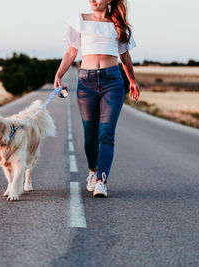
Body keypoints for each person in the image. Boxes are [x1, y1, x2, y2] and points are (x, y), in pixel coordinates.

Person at [54, 0, 140, 197]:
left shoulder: (119, 25)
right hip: (87, 82)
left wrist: (133, 81)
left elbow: (125, 56)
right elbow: (71, 52)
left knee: (107, 133)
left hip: (113, 82)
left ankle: (101, 180)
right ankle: (93, 171)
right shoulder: (79, 20)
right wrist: (58, 75)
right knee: (90, 135)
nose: (92, 0)